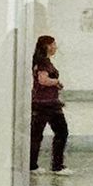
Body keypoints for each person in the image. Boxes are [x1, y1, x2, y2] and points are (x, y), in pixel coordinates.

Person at [30, 34, 70, 175]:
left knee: (36, 135)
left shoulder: (42, 61)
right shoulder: (43, 63)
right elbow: (43, 80)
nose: (55, 47)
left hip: (43, 103)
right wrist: (56, 82)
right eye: (53, 44)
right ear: (47, 46)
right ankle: (57, 166)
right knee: (61, 132)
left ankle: (33, 165)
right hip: (47, 104)